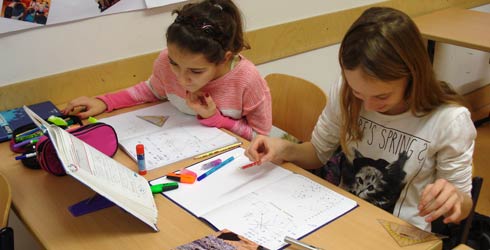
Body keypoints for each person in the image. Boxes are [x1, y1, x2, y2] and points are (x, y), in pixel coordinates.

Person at [245, 7, 476, 231]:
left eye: (382, 96)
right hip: (343, 215)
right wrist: (283, 148)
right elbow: (318, 154)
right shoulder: (345, 91)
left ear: (413, 75)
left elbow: (463, 207)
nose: (368, 105)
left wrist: (454, 198)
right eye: (358, 93)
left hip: (400, 233)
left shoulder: (449, 121)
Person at [62, 0, 271, 141]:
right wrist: (104, 102)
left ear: (224, 59)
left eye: (196, 72)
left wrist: (215, 118)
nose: (181, 78)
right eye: (174, 64)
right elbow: (150, 90)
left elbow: (260, 137)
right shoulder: (164, 61)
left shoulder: (246, 80)